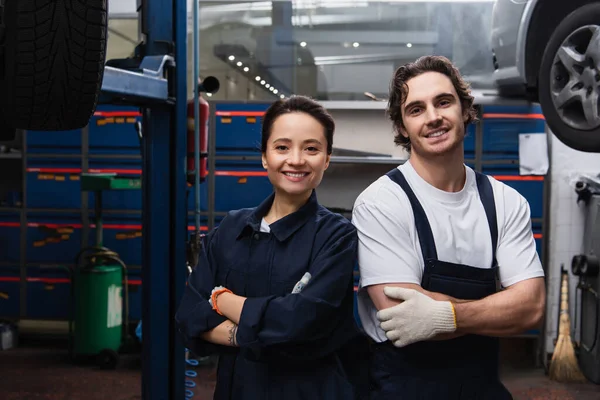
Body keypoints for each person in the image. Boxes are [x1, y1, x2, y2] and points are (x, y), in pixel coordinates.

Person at [352, 55, 546, 399]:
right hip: (403, 387)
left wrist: (444, 315)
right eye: (416, 109)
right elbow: (404, 319)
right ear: (401, 127)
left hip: (481, 385)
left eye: (444, 102)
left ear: (465, 110)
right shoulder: (381, 203)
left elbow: (530, 307)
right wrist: (497, 307)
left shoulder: (506, 202)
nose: (433, 117)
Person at [175, 95, 364, 399]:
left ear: (327, 159)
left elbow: (302, 322)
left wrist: (223, 302)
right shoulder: (232, 228)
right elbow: (189, 317)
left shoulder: (336, 236)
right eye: (282, 147)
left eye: (312, 148)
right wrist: (263, 329)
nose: (297, 159)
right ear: (265, 156)